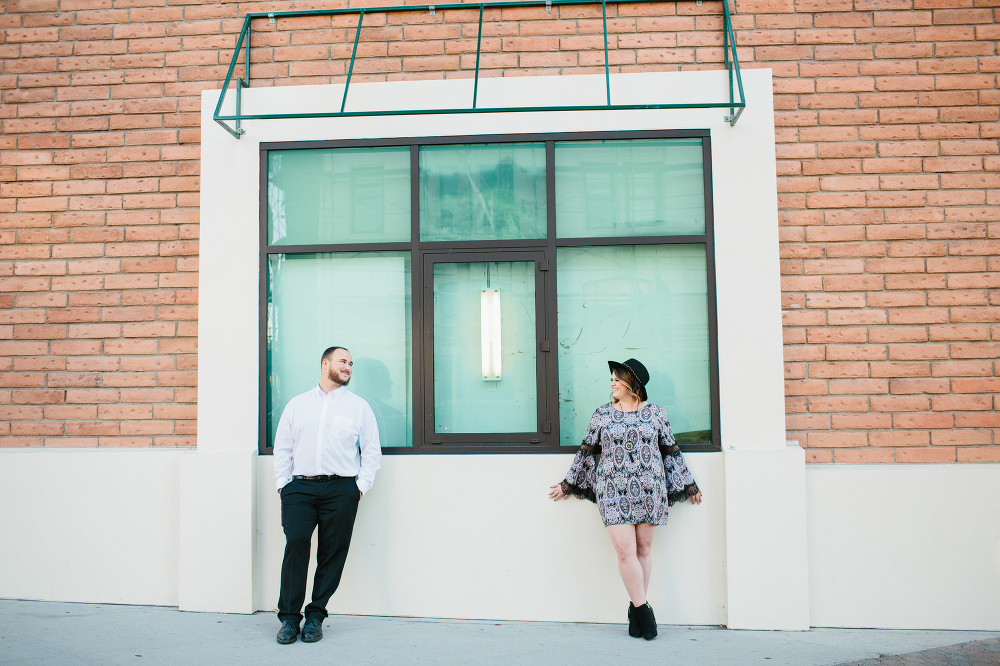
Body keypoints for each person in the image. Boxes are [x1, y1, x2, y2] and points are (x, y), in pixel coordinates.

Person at [548, 358, 701, 641]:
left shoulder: (656, 413)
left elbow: (670, 451)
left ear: (634, 383)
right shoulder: (602, 414)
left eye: (618, 378)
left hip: (649, 488)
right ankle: (644, 610)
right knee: (624, 552)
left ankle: (634, 608)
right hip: (612, 490)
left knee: (643, 549)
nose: (612, 383)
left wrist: (688, 483)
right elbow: (586, 450)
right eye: (612, 379)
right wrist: (568, 483)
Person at [273, 346, 382, 645]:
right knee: (296, 545)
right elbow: (282, 446)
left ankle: (316, 616)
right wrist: (284, 484)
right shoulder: (297, 405)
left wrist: (359, 488)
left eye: (350, 363)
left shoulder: (359, 407)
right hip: (300, 489)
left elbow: (372, 452)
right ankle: (289, 619)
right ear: (325, 364)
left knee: (332, 553)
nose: (348, 367)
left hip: (341, 490)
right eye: (342, 361)